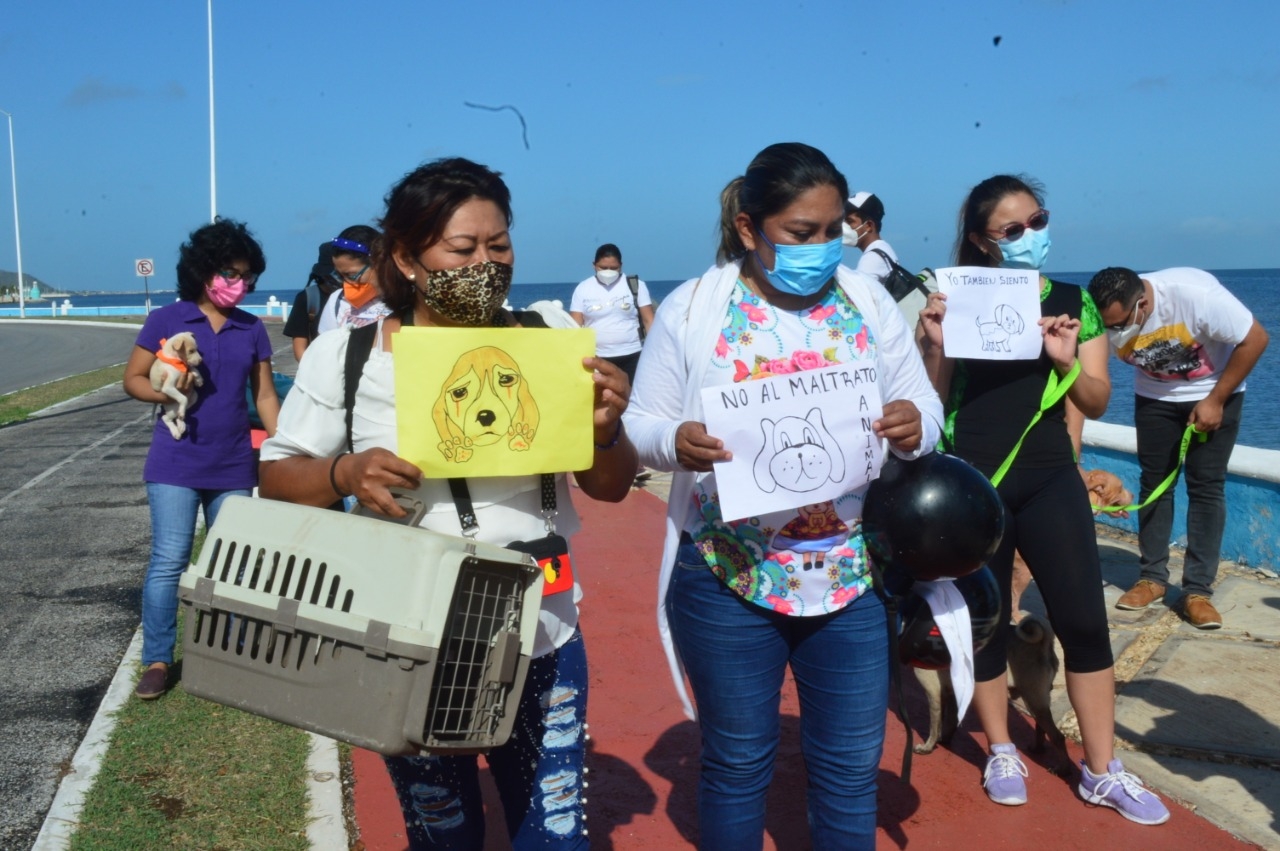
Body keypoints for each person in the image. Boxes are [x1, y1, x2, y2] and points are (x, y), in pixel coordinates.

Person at [259, 157, 637, 850]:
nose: (485, 264)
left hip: (544, 634)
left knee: (555, 836)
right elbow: (276, 476)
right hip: (407, 646)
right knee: (445, 836)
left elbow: (611, 484)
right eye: (462, 249)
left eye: (499, 246)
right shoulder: (349, 358)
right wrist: (345, 471)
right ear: (405, 257)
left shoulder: (549, 339)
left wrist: (607, 427)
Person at [624, 142, 943, 850]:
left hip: (853, 579)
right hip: (728, 576)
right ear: (748, 228)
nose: (823, 247)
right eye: (802, 234)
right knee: (737, 765)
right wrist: (675, 440)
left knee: (850, 770)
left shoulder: (866, 300)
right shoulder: (694, 308)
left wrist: (916, 425)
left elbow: (925, 407)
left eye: (834, 230)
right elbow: (639, 426)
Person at [916, 175, 1170, 824]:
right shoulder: (956, 296)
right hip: (975, 482)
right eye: (1013, 229)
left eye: (1039, 220)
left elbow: (1094, 399)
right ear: (981, 239)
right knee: (989, 624)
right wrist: (934, 344)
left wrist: (1063, 360)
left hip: (1052, 475)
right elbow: (931, 402)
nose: (1032, 236)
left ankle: (1102, 768)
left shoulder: (1073, 300)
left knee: (1085, 621)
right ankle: (1002, 747)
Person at [122, 217, 280, 700]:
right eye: (233, 273)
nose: (241, 285)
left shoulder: (251, 328)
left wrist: (285, 449)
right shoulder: (166, 320)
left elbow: (266, 396)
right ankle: (157, 659)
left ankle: (230, 655)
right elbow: (132, 380)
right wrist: (167, 394)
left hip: (233, 463)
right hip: (174, 462)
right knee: (169, 561)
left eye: (248, 277)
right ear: (205, 270)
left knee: (232, 564)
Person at [1087, 266, 1268, 628]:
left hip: (1216, 392)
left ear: (1142, 303)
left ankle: (1197, 590)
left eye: (1120, 324)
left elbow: (1256, 339)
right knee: (1156, 482)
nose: (1114, 333)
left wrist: (1216, 400)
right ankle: (1151, 578)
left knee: (1206, 486)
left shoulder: (1194, 296)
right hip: (1154, 398)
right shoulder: (1103, 316)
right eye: (1108, 326)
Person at [569, 243, 655, 385]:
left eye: (614, 268)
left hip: (633, 355)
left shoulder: (636, 285)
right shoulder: (583, 288)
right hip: (597, 356)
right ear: (594, 265)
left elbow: (649, 321)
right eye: (603, 268)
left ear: (621, 265)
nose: (608, 272)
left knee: (632, 400)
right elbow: (574, 326)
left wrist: (654, 352)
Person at [314, 224, 392, 336]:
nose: (347, 283)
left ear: (378, 262)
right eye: (340, 276)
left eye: (351, 275)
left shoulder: (408, 300)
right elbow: (325, 349)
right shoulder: (336, 301)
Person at [283, 241, 343, 362]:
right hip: (320, 368)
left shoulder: (354, 297)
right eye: (335, 276)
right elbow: (300, 347)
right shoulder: (308, 297)